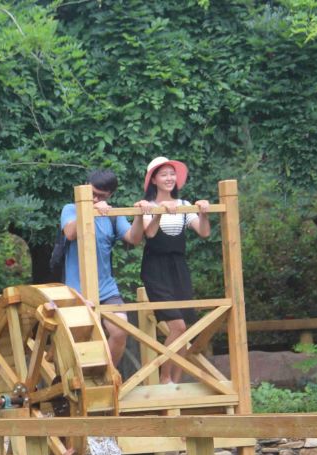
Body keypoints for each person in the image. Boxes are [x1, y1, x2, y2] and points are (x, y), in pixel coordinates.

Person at [134, 156, 213, 384]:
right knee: (176, 326)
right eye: (163, 174)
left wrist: (204, 212)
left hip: (179, 267)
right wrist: (160, 211)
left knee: (185, 327)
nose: (169, 178)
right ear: (154, 180)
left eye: (172, 174)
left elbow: (204, 232)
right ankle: (164, 378)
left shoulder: (185, 205)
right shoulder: (146, 205)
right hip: (155, 268)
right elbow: (149, 234)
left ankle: (175, 381)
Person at [59, 169, 143, 367]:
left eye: (101, 196)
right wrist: (89, 209)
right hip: (75, 289)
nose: (95, 198)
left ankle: (107, 375)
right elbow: (70, 233)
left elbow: (133, 238)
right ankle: (76, 378)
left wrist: (139, 216)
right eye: (92, 193)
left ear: (110, 196)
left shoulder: (112, 214)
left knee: (120, 330)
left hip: (106, 287)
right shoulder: (70, 208)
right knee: (79, 339)